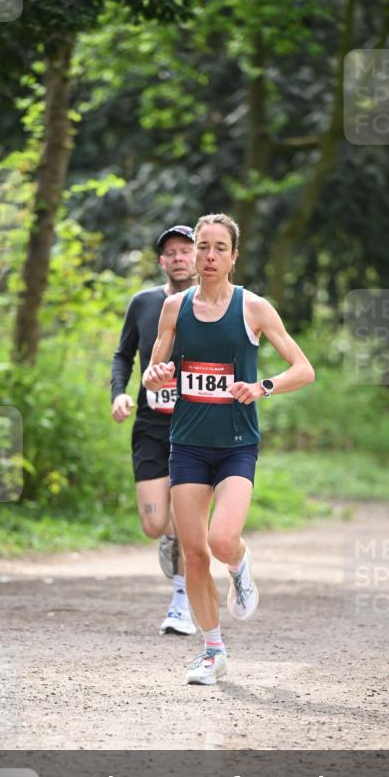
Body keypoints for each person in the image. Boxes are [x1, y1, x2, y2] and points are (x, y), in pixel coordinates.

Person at [142, 212, 315, 685]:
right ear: (193, 254)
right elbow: (153, 371)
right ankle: (212, 651)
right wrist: (154, 375)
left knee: (221, 542)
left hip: (237, 445)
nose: (209, 256)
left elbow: (304, 368)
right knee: (194, 554)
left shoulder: (253, 308)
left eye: (219, 248)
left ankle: (240, 564)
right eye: (202, 247)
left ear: (234, 256)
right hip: (188, 444)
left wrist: (263, 386)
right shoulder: (175, 308)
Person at [111, 225, 198, 634]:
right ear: (162, 261)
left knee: (184, 515)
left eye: (186, 250)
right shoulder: (144, 303)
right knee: (154, 523)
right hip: (150, 423)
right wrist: (118, 394)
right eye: (171, 253)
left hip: (195, 423)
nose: (179, 257)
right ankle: (171, 540)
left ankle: (181, 600)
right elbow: (123, 355)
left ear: (198, 258)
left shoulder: (215, 306)